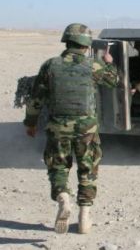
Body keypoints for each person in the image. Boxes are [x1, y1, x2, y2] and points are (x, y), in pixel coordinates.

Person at [23, 23, 119, 234]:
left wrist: (30, 123)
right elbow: (114, 81)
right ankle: (84, 218)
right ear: (86, 44)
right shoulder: (93, 66)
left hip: (58, 126)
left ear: (66, 41)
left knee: (58, 167)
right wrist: (109, 63)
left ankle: (63, 199)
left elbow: (36, 99)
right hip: (86, 128)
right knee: (88, 170)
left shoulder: (50, 65)